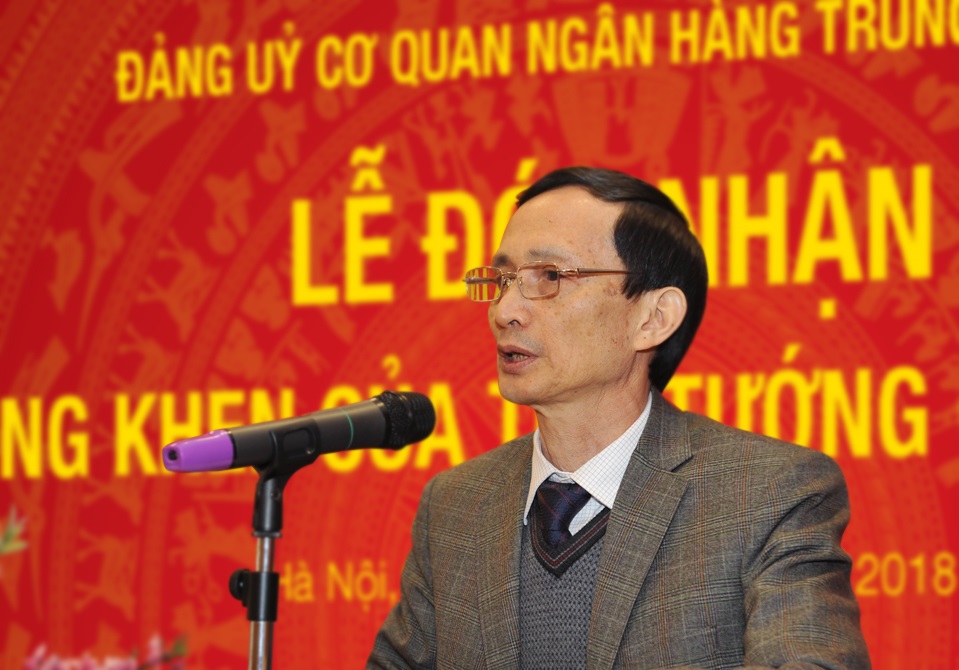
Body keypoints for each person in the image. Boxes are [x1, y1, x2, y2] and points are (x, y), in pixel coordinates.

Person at [368, 167, 870, 669]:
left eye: (549, 277)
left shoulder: (766, 494)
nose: (505, 312)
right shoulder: (455, 507)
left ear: (653, 318)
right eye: (501, 280)